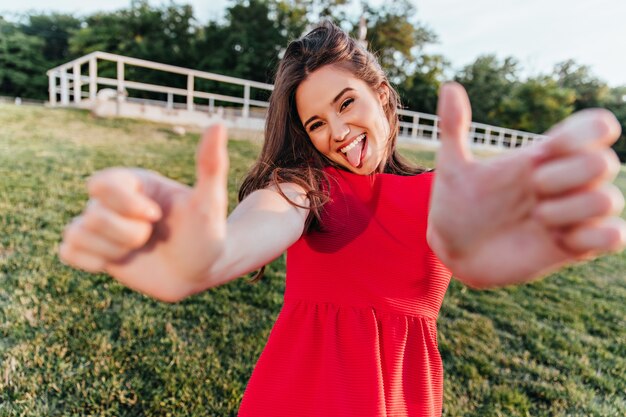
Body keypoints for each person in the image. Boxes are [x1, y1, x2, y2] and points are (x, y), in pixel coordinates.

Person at [59, 21, 625, 417]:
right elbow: (264, 220)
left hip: (400, 400)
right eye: (316, 122)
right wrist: (214, 255)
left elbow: (448, 229)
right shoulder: (305, 187)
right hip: (296, 400)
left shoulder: (441, 197)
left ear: (381, 95)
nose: (336, 132)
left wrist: (468, 244)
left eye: (347, 103)